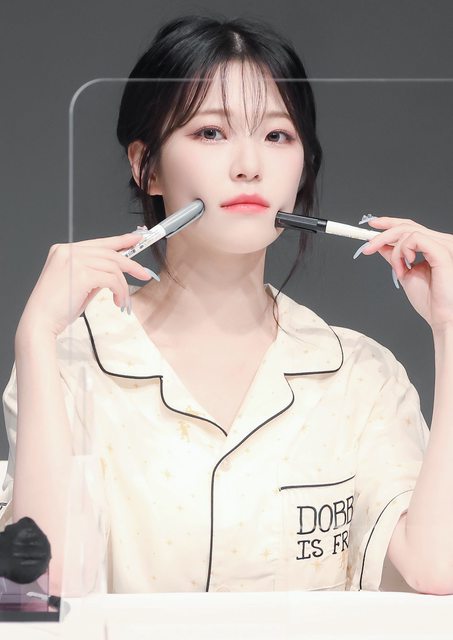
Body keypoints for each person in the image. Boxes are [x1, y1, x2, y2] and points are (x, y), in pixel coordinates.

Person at [2, 14, 453, 596]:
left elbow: (438, 568)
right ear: (146, 166)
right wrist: (35, 336)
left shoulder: (362, 377)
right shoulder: (70, 362)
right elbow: (41, 584)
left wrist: (451, 329)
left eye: (277, 136)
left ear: (302, 170)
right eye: (211, 132)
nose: (249, 165)